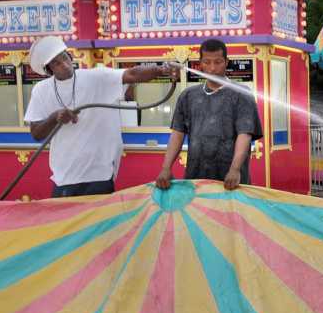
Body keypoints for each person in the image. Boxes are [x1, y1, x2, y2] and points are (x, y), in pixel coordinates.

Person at [24, 35, 176, 197]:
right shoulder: (41, 90)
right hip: (64, 177)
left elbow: (131, 74)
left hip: (99, 175)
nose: (64, 64)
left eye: (64, 57)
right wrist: (54, 118)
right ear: (49, 69)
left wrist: (162, 70)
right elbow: (36, 133)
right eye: (56, 62)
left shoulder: (95, 77)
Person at [155, 39, 262, 191]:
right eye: (207, 62)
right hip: (196, 179)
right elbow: (177, 134)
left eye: (218, 62)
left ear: (226, 62)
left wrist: (235, 169)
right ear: (200, 64)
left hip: (231, 181)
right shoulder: (188, 96)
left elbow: (244, 135)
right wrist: (166, 168)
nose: (212, 68)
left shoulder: (242, 94)